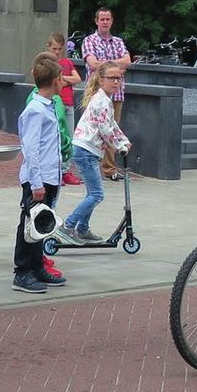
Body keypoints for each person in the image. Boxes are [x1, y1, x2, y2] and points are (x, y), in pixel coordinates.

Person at [57, 62, 132, 245]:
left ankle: (82, 229)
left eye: (119, 78)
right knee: (97, 195)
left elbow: (112, 126)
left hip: (87, 150)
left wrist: (124, 140)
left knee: (92, 192)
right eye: (111, 78)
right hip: (85, 150)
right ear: (101, 79)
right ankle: (67, 226)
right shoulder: (101, 101)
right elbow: (105, 129)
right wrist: (119, 145)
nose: (116, 82)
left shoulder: (104, 99)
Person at [13, 58, 68, 294]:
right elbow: (31, 150)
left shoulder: (47, 105)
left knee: (41, 224)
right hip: (39, 179)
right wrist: (36, 183)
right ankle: (23, 271)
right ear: (55, 81)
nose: (64, 81)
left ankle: (36, 266)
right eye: (62, 78)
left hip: (49, 176)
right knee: (29, 223)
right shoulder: (36, 110)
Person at [81, 7, 131, 180]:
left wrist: (106, 65)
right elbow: (92, 64)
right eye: (101, 19)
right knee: (94, 130)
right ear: (96, 21)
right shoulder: (89, 40)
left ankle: (109, 170)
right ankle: (92, 165)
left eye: (107, 19)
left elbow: (128, 61)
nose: (104, 22)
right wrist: (117, 67)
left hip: (117, 94)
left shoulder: (118, 41)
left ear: (112, 21)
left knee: (112, 128)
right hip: (96, 92)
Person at [48, 32, 83, 185]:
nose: (57, 52)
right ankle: (55, 171)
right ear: (48, 47)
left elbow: (78, 79)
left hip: (68, 103)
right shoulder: (46, 63)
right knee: (55, 137)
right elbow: (48, 79)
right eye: (54, 48)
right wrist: (66, 80)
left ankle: (65, 170)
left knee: (68, 137)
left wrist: (62, 78)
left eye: (59, 49)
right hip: (55, 103)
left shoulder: (67, 63)